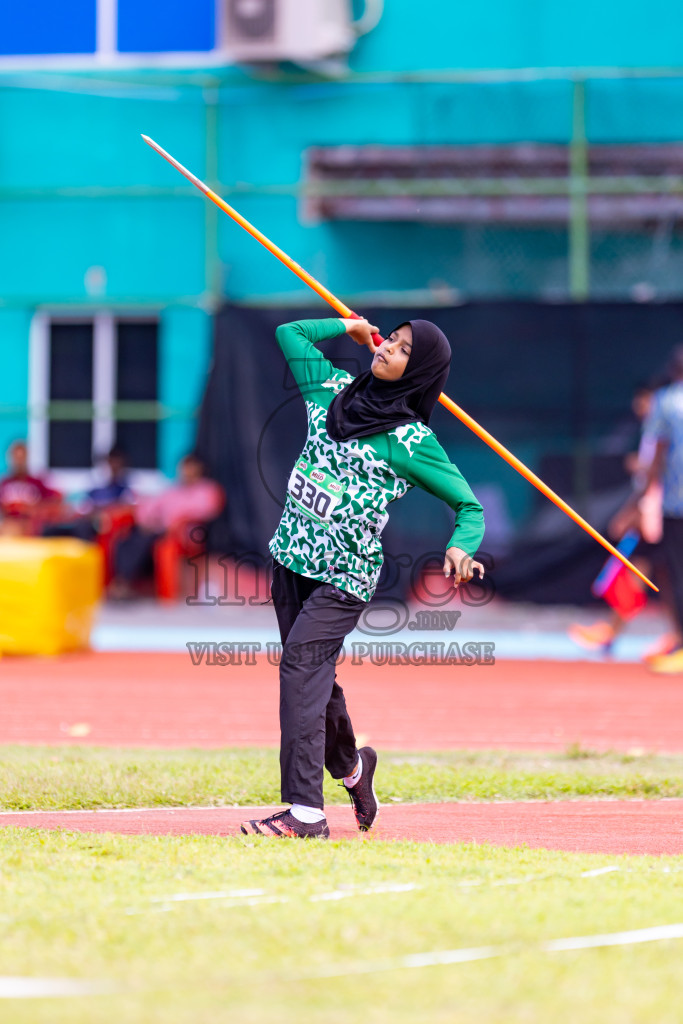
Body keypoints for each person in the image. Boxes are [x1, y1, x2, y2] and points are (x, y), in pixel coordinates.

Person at [240, 317, 485, 840]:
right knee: (315, 684)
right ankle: (355, 771)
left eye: (401, 351)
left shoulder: (413, 441)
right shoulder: (330, 387)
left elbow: (468, 506)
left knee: (299, 673)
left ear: (417, 373)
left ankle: (304, 814)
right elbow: (288, 334)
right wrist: (347, 326)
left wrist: (461, 547)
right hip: (290, 560)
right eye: (390, 340)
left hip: (344, 577)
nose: (388, 350)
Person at [108, 453, 223, 600]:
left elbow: (209, 508)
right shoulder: (172, 491)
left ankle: (123, 583)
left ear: (200, 470)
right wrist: (148, 520)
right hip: (160, 530)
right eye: (184, 468)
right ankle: (121, 582)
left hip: (184, 534)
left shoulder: (207, 490)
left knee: (144, 540)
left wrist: (177, 520)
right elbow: (148, 509)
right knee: (125, 540)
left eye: (191, 468)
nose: (187, 472)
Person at [640, 346, 683, 673]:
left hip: (676, 504)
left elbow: (657, 454)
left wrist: (642, 496)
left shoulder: (666, 401)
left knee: (677, 573)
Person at [0, 440, 61, 535]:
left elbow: (55, 499)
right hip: (10, 524)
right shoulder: (5, 484)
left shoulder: (36, 483)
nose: (19, 462)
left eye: (21, 458)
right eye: (16, 458)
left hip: (32, 525)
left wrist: (34, 509)